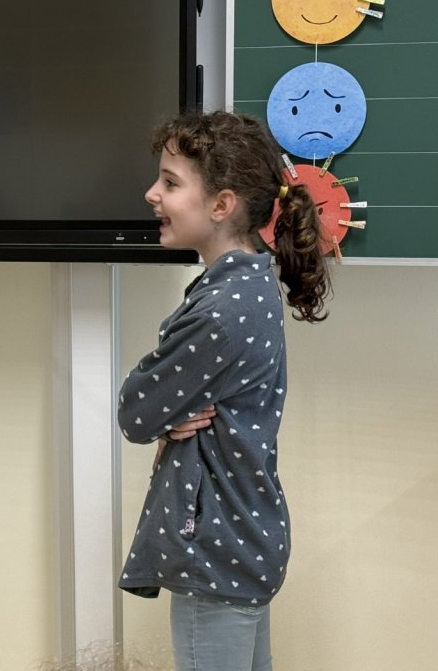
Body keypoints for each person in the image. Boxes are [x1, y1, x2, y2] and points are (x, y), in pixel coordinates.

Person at [116, 111, 331, 671]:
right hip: (246, 538)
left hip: (215, 553)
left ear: (222, 205)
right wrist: (174, 413)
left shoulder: (219, 311)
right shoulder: (253, 282)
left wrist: (166, 414)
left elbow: (135, 411)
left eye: (170, 182)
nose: (152, 194)